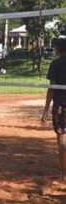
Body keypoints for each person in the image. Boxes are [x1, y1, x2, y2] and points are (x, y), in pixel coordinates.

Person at [41, 38, 66, 181]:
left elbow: (52, 89)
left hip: (61, 105)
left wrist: (45, 110)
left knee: (62, 142)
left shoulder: (56, 63)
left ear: (58, 49)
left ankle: (64, 176)